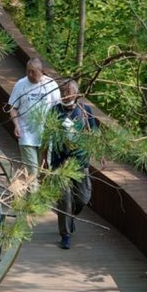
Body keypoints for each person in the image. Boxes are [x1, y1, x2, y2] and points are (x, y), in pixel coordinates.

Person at [49, 77, 99, 248]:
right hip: (60, 163)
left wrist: (98, 154)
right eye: (62, 91)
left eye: (69, 91)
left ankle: (70, 218)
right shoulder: (54, 111)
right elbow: (47, 136)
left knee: (84, 198)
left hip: (80, 163)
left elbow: (94, 135)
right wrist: (43, 158)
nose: (65, 94)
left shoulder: (85, 111)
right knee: (65, 200)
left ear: (76, 93)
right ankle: (66, 236)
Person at [7, 54, 61, 183]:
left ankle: (37, 200)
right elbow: (12, 107)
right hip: (26, 134)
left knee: (44, 171)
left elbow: (58, 108)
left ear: (41, 72)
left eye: (33, 72)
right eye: (28, 71)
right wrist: (16, 125)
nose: (30, 74)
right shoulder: (21, 84)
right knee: (32, 172)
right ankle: (33, 200)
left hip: (46, 136)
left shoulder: (51, 84)